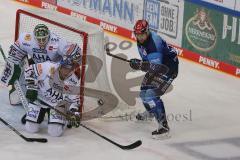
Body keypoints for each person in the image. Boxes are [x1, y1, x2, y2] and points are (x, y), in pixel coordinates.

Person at [0, 24, 72, 105]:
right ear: (34, 37)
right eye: (39, 39)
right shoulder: (26, 39)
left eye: (44, 39)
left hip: (53, 71)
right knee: (14, 100)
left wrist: (61, 68)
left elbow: (70, 58)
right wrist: (13, 67)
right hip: (35, 69)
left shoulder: (58, 42)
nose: (41, 42)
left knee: (52, 97)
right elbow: (14, 53)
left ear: (49, 36)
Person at [129, 20, 178, 138]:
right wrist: (140, 63)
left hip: (168, 70)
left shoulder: (153, 44)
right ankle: (151, 112)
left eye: (141, 34)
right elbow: (148, 61)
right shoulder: (142, 40)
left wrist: (140, 65)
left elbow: (156, 68)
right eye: (137, 34)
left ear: (147, 32)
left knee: (151, 95)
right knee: (143, 93)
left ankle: (164, 127)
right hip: (158, 66)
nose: (139, 37)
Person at [23, 43, 81, 137]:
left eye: (70, 69)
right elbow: (29, 70)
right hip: (39, 100)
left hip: (57, 106)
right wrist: (31, 87)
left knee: (55, 133)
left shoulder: (73, 80)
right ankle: (37, 115)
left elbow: (74, 100)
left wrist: (74, 113)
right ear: (60, 65)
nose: (67, 72)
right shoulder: (48, 67)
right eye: (65, 68)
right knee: (30, 129)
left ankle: (64, 120)